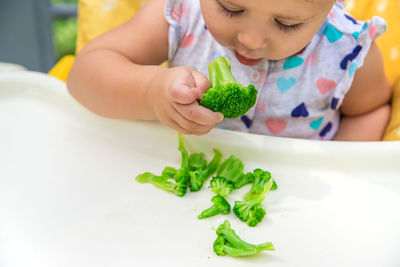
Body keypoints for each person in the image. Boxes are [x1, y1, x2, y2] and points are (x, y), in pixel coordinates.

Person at [67, 0, 392, 141]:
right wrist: (151, 91)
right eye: (231, 8)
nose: (251, 39)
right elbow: (85, 73)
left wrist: (333, 171)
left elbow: (371, 110)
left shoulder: (346, 49)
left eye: (286, 23)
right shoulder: (182, 17)